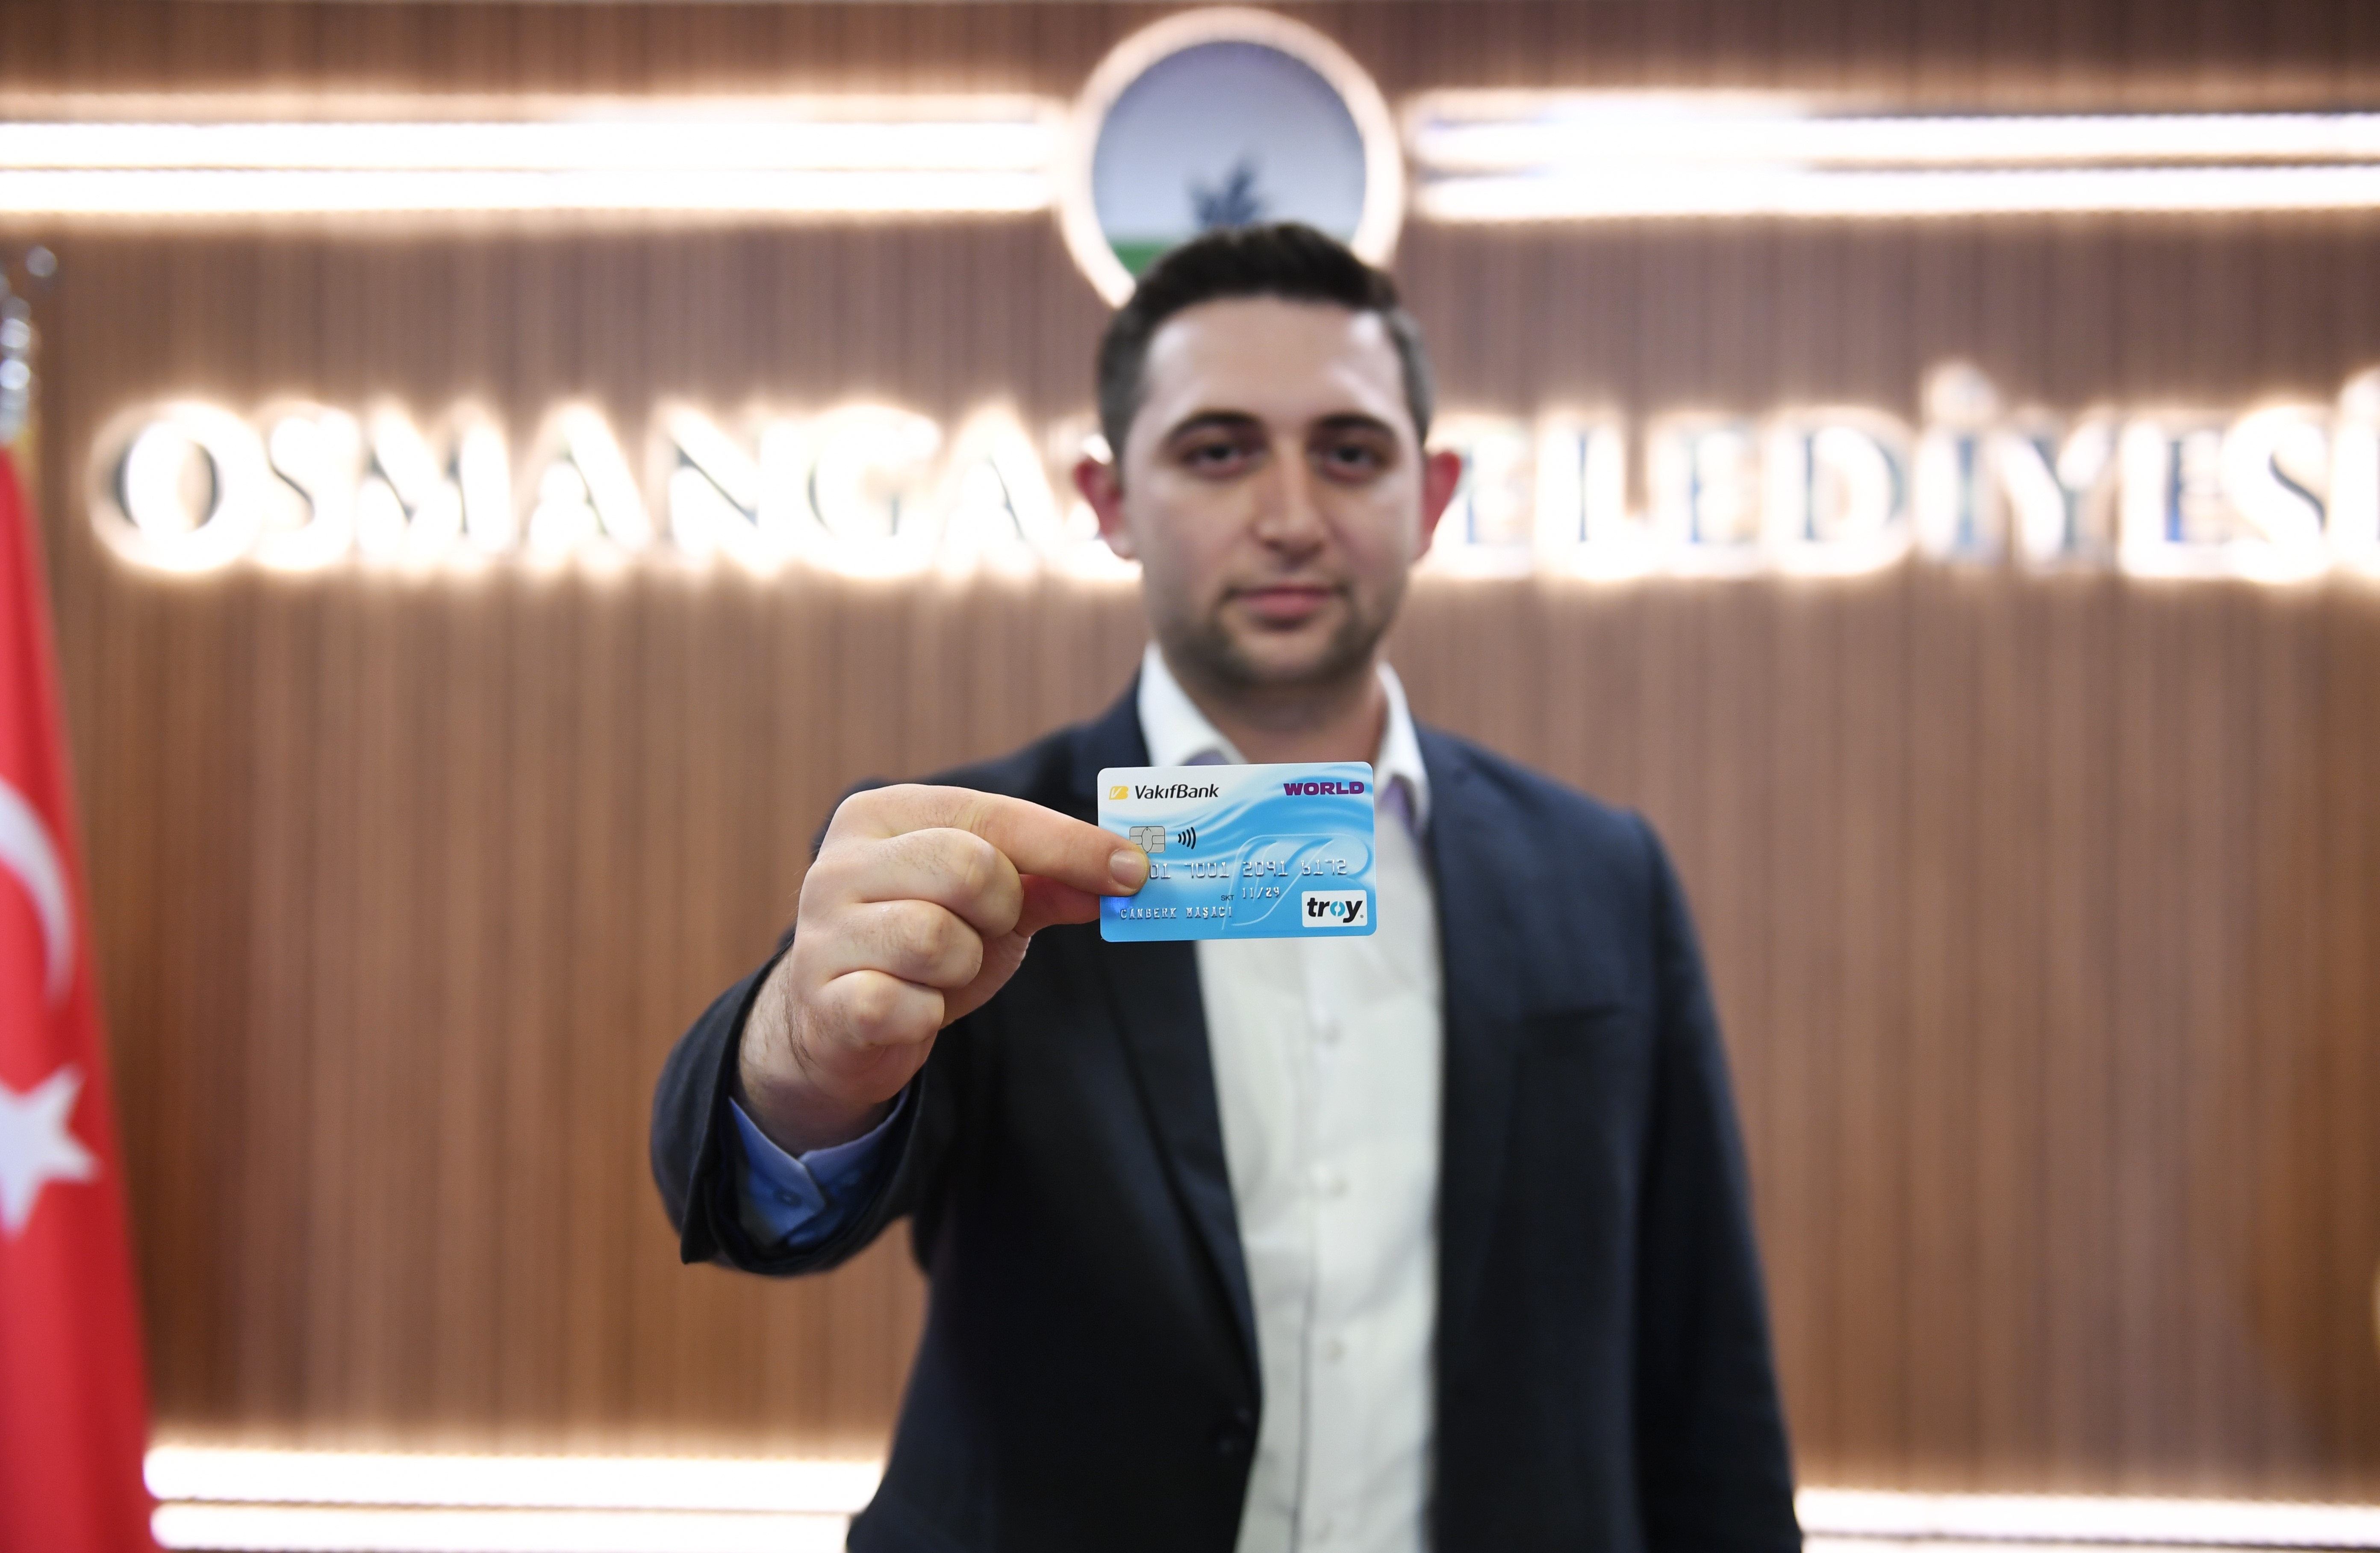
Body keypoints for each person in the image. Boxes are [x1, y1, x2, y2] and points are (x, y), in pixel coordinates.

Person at [651, 222, 1800, 1553]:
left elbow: (1706, 1368)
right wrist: (801, 1064)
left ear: (1431, 496)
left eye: (1350, 452)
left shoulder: (1601, 875)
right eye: (1218, 450)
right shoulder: (978, 862)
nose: (1292, 516)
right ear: (1111, 500)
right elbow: (757, 1212)